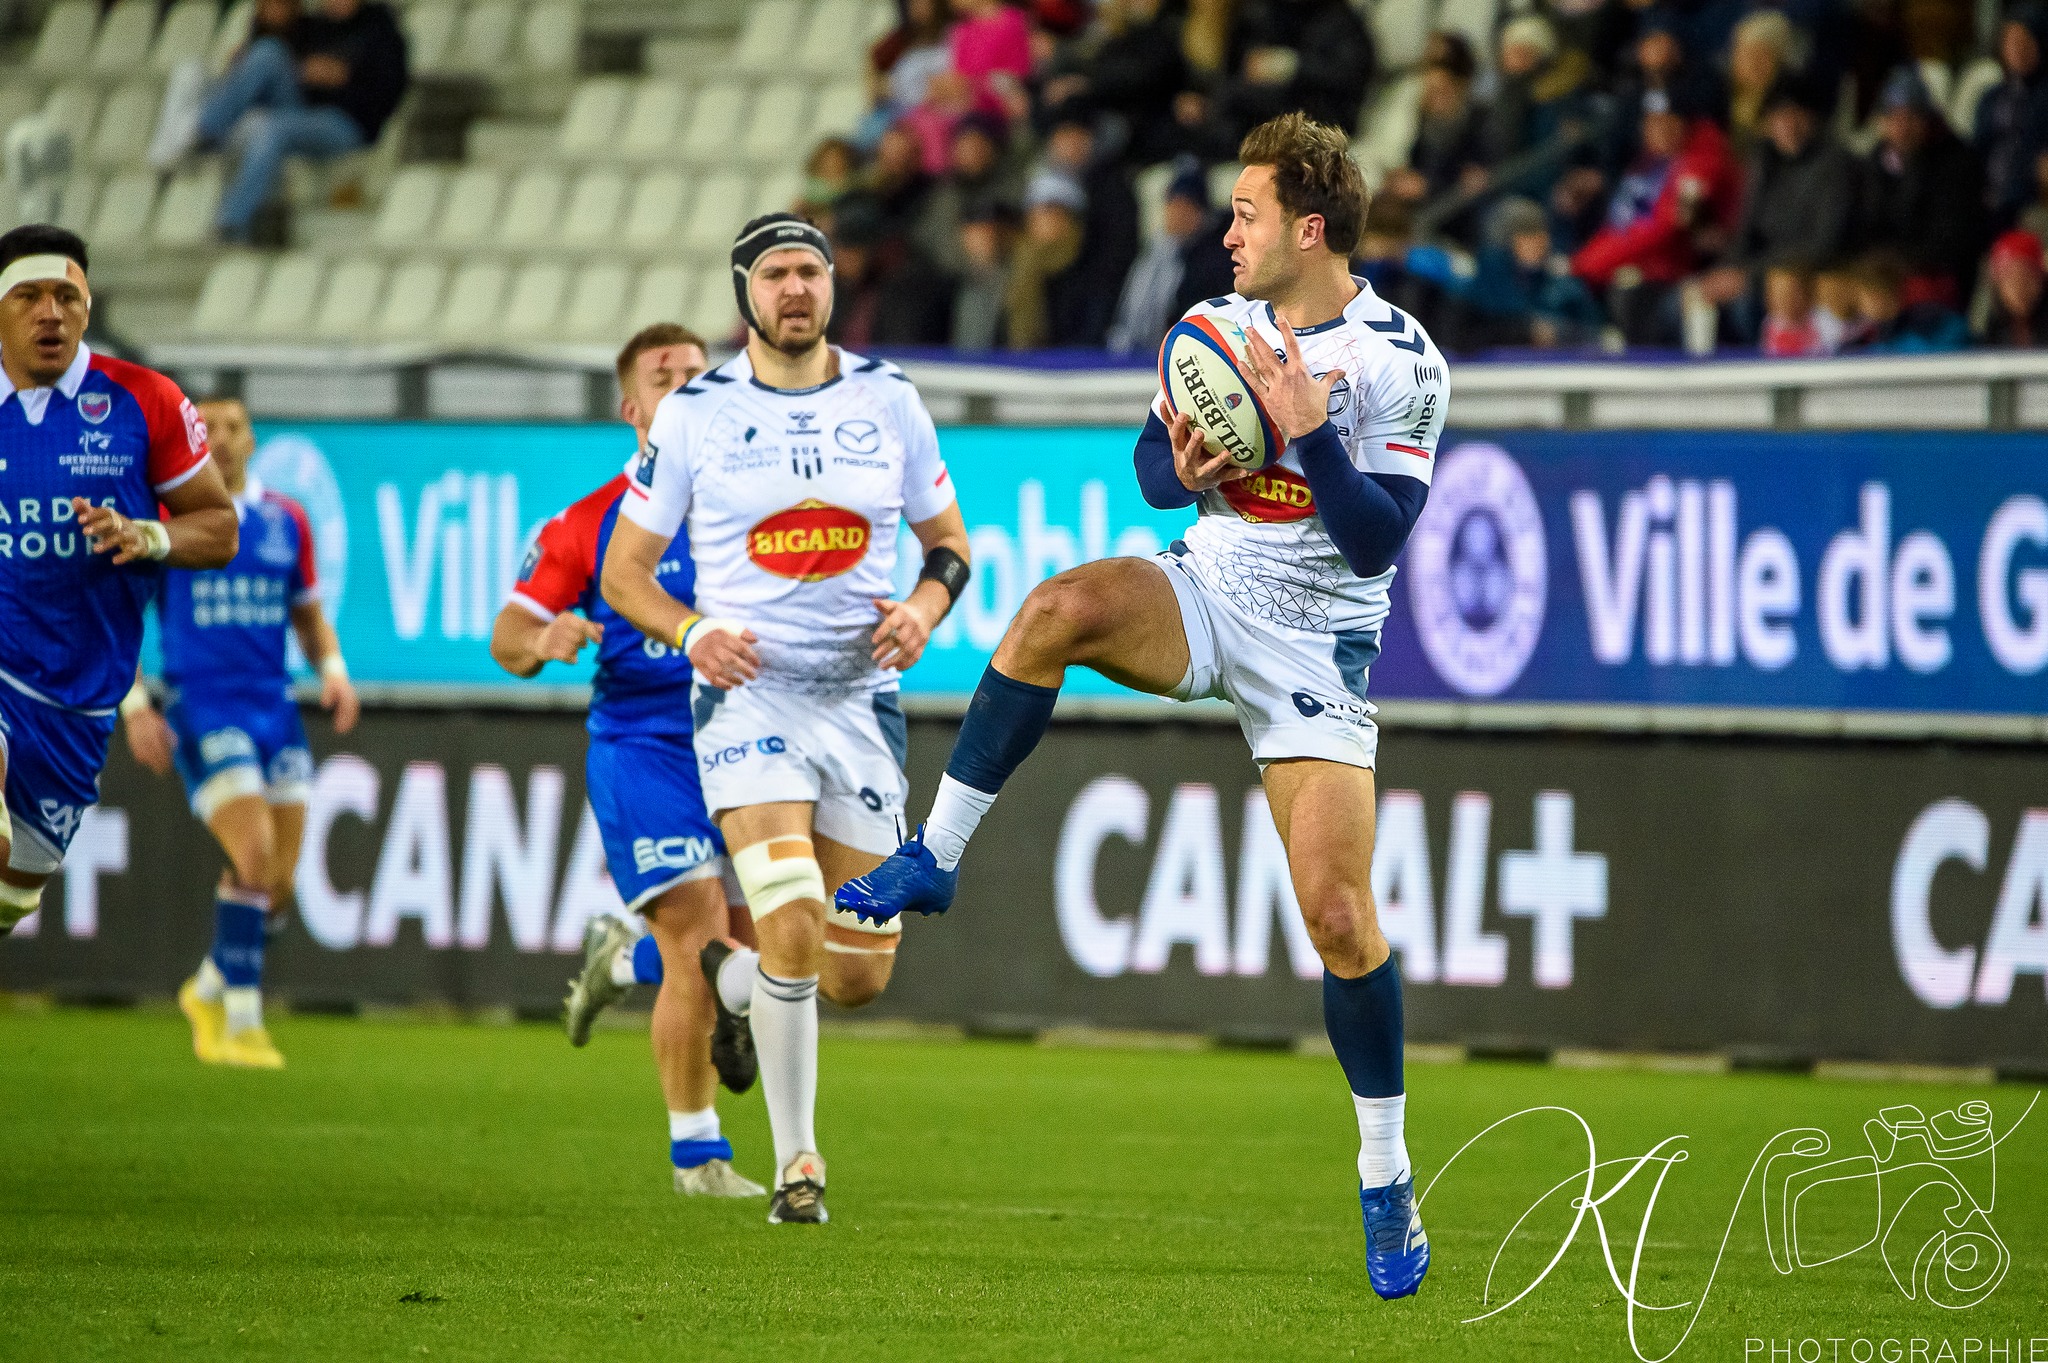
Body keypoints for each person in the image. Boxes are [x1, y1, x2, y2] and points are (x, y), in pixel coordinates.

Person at [837, 113, 1444, 1300]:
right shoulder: (1215, 326)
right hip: (1212, 582)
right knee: (1053, 609)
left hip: (1317, 639)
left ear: (1306, 230)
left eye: (1247, 213)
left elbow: (1376, 542)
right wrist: (1193, 468)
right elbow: (1150, 468)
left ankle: (1384, 1176)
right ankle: (935, 854)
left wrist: (1309, 439)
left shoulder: (1395, 359)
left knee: (1334, 916)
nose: (1227, 235)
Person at [600, 214, 972, 1226]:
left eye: (809, 270)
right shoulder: (696, 413)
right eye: (776, 274)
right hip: (745, 698)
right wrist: (690, 632)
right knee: (793, 910)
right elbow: (621, 575)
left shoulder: (888, 400)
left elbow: (949, 545)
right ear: (745, 292)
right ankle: (798, 1162)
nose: (795, 288)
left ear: (831, 286)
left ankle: (731, 987)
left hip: (858, 703)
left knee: (856, 972)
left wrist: (922, 609)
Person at [487, 324, 769, 1199]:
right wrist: (548, 634)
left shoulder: (760, 506)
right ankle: (699, 1157)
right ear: (633, 409)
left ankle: (621, 958)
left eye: (700, 373)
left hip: (747, 734)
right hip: (644, 744)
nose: (688, 387)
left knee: (760, 959)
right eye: (666, 377)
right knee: (695, 937)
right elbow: (506, 639)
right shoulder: (586, 522)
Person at [0, 225, 238, 936]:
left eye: (67, 296)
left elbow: (220, 528)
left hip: (79, 701)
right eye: (30, 296)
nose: (51, 312)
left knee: (11, 897)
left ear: (87, 305)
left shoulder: (145, 400)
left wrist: (149, 535)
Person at [120, 395, 358, 1069]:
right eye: (208, 428)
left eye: (232, 427)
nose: (220, 439)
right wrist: (136, 706)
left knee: (276, 884)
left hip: (274, 707)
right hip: (204, 705)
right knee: (252, 858)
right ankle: (245, 1022)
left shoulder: (287, 521)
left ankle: (203, 988)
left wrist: (334, 670)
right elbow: (124, 622)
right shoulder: (169, 523)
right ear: (192, 439)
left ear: (253, 439)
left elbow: (308, 616)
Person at [153, 0, 409, 242]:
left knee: (271, 127)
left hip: (346, 122)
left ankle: (230, 223)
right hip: (301, 108)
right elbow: (278, 57)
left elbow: (388, 94)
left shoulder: (380, 32)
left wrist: (347, 78)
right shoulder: (312, 26)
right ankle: (203, 132)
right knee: (267, 52)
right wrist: (258, 54)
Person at [1982, 227, 2048, 345]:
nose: (2020, 287)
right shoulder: (1986, 338)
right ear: (1998, 286)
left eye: (2027, 277)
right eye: (2010, 279)